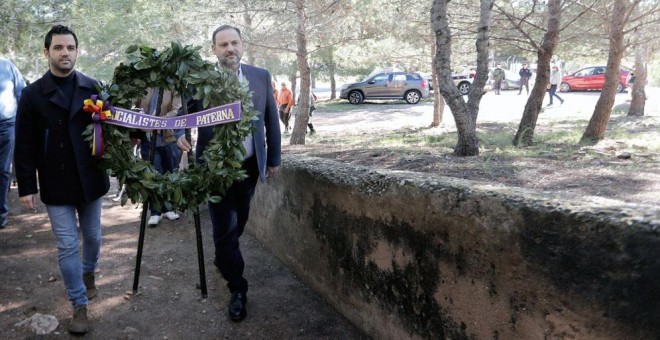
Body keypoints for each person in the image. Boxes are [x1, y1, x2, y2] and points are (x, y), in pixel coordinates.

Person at [176, 24, 281, 322]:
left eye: (234, 43)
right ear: (213, 49)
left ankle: (224, 256)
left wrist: (273, 158)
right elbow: (186, 112)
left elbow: (271, 119)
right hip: (214, 170)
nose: (229, 49)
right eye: (223, 45)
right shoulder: (201, 80)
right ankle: (238, 288)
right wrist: (181, 131)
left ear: (242, 44)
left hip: (249, 166)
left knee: (238, 223)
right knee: (224, 228)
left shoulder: (260, 76)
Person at [14, 24, 110, 335]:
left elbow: (110, 127)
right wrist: (27, 186)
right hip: (55, 182)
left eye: (69, 47)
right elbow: (24, 143)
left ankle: (89, 272)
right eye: (58, 48)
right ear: (47, 53)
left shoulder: (93, 87)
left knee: (93, 237)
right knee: (68, 245)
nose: (64, 53)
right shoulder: (32, 94)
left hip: (90, 179)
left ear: (77, 51)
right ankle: (79, 304)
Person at [137, 88, 182, 226]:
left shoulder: (173, 85)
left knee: (170, 172)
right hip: (148, 138)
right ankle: (155, 212)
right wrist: (141, 116)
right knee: (153, 175)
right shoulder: (144, 84)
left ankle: (168, 208)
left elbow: (177, 109)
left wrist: (159, 122)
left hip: (169, 137)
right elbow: (135, 106)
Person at [0, 57, 26, 229]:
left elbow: (22, 93)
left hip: (6, 125)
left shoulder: (7, 65)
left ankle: (1, 214)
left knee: (2, 170)